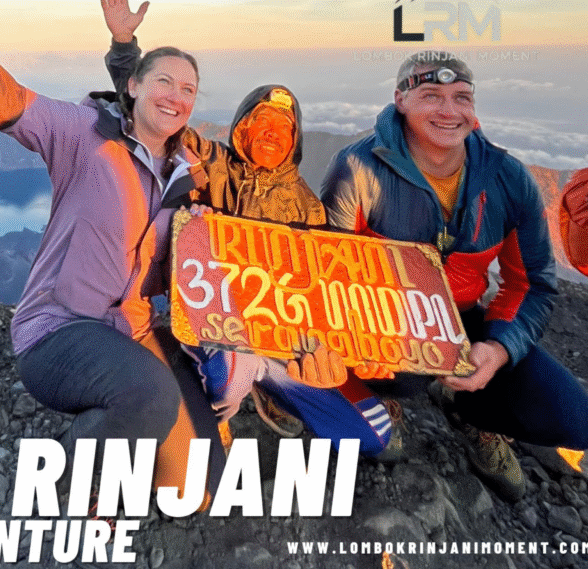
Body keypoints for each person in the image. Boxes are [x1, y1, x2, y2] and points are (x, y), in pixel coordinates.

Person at [0, 0, 226, 507]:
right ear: (133, 86)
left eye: (188, 89)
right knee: (151, 396)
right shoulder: (83, 134)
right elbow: (5, 99)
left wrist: (194, 242)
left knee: (200, 490)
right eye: (164, 82)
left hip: (130, 333)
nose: (176, 97)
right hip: (59, 331)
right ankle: (77, 476)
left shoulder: (190, 174)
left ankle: (110, 418)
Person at [100, 0, 401, 461]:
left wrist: (328, 352)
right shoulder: (211, 165)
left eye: (282, 126)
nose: (269, 133)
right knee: (225, 374)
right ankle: (209, 406)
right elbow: (151, 117)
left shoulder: (308, 209)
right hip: (215, 321)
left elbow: (322, 294)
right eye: (259, 122)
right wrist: (125, 46)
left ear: (294, 140)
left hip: (279, 341)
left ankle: (266, 384)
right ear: (242, 128)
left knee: (376, 439)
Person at [320, 50, 588, 500]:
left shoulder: (508, 178)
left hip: (466, 317)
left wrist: (498, 348)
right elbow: (327, 272)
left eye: (462, 97)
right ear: (400, 100)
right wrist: (359, 342)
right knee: (409, 375)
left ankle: (472, 413)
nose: (449, 111)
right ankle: (385, 395)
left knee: (576, 423)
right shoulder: (358, 168)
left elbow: (531, 284)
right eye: (431, 95)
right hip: (384, 318)